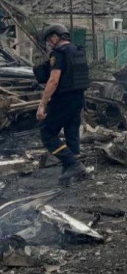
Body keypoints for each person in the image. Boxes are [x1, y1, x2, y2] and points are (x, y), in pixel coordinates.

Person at [33, 24, 90, 184]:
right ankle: (69, 177)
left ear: (55, 36)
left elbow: (53, 81)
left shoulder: (58, 54)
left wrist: (42, 105)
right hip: (78, 99)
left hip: (63, 100)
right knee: (72, 135)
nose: (49, 43)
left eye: (49, 40)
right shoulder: (78, 51)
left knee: (47, 133)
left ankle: (73, 164)